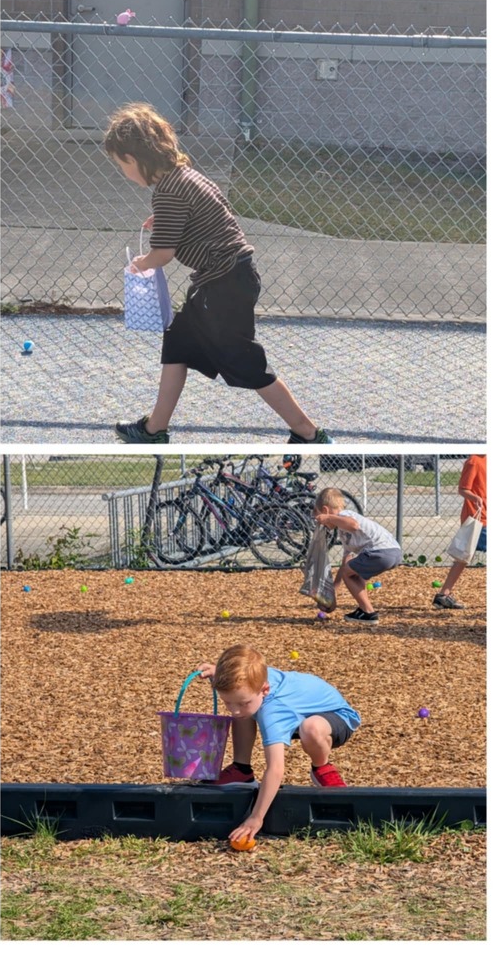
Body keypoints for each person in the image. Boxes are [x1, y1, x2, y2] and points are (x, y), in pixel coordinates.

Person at [103, 103, 332, 445]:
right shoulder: (186, 176)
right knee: (178, 343)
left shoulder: (168, 192)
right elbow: (206, 214)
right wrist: (165, 223)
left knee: (248, 364)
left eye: (121, 164)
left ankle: (309, 433)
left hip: (223, 285)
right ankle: (154, 429)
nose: (124, 172)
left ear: (134, 159)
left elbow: (163, 254)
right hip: (229, 278)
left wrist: (141, 263)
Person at [198, 644, 361, 845]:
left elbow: (275, 769)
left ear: (265, 689)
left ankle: (322, 766)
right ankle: (242, 769)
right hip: (295, 712)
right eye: (228, 702)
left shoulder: (273, 712)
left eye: (241, 702)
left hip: (336, 718)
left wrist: (256, 818)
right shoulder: (252, 684)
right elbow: (241, 677)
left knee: (311, 729)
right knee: (246, 713)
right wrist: (219, 671)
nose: (234, 710)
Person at [315, 487, 402, 624]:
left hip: (381, 551)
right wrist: (331, 595)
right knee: (352, 572)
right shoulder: (343, 532)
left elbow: (354, 525)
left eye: (321, 517)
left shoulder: (346, 515)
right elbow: (345, 565)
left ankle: (368, 612)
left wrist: (329, 518)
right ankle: (365, 610)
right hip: (391, 552)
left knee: (349, 572)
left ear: (325, 511)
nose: (322, 523)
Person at [434, 454, 486, 609]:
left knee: (462, 558)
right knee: (463, 557)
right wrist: (476, 498)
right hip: (480, 519)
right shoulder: (474, 461)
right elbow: (463, 489)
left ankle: (443, 595)